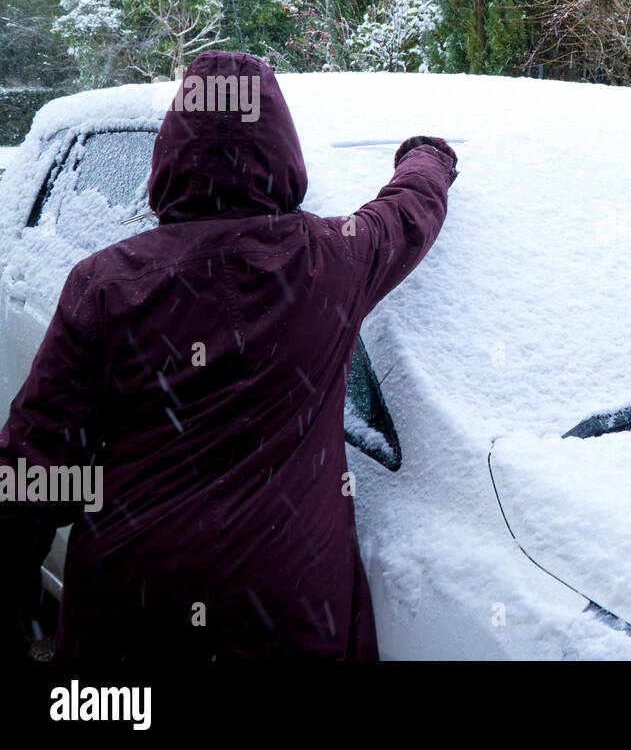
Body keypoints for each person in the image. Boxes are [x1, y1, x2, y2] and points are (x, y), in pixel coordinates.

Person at [0, 50, 457, 659]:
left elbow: (37, 466)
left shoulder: (106, 283)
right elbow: (408, 214)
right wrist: (429, 156)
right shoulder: (332, 261)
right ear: (282, 150)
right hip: (287, 611)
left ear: (171, 151)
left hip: (132, 604)